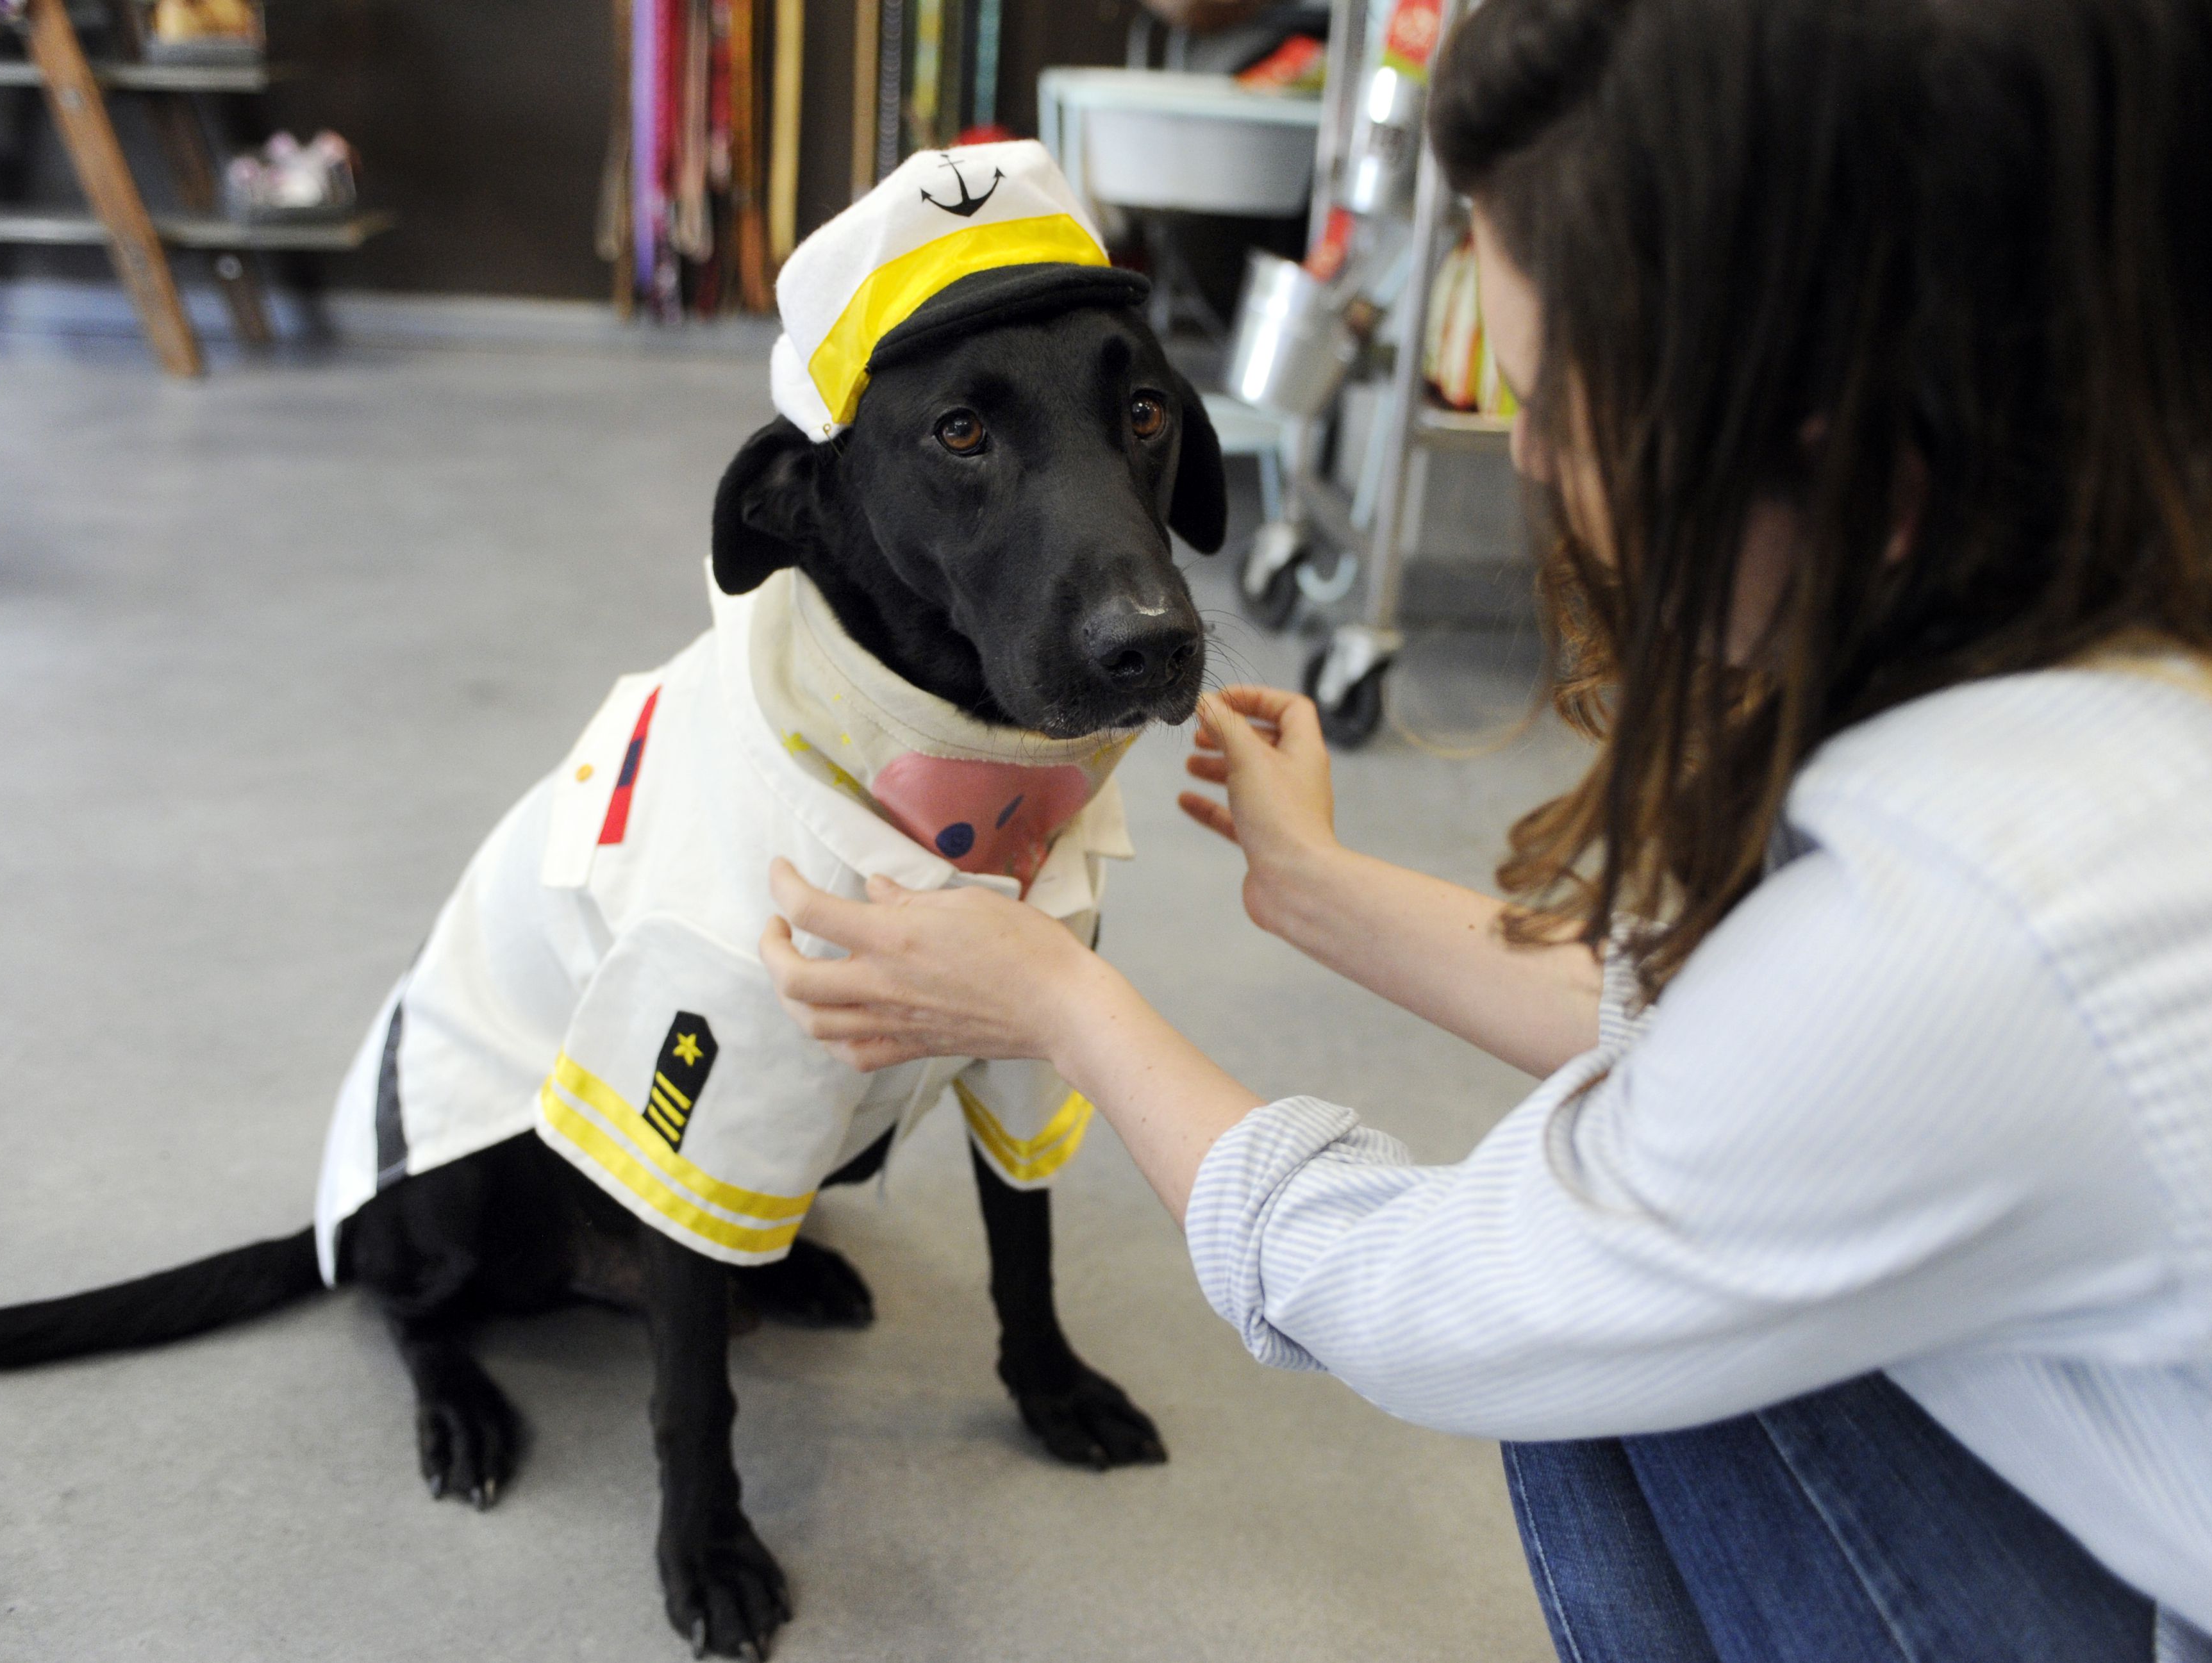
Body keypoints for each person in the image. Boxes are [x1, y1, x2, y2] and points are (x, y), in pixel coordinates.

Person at [757, 0, 2212, 1655]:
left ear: (1795, 415)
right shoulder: (2096, 672)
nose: (1521, 454)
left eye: (1551, 400)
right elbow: (1725, 1032)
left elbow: (1449, 1294)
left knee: (1590, 1360)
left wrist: (1055, 999)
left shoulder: (1974, 923)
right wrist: (1314, 889)